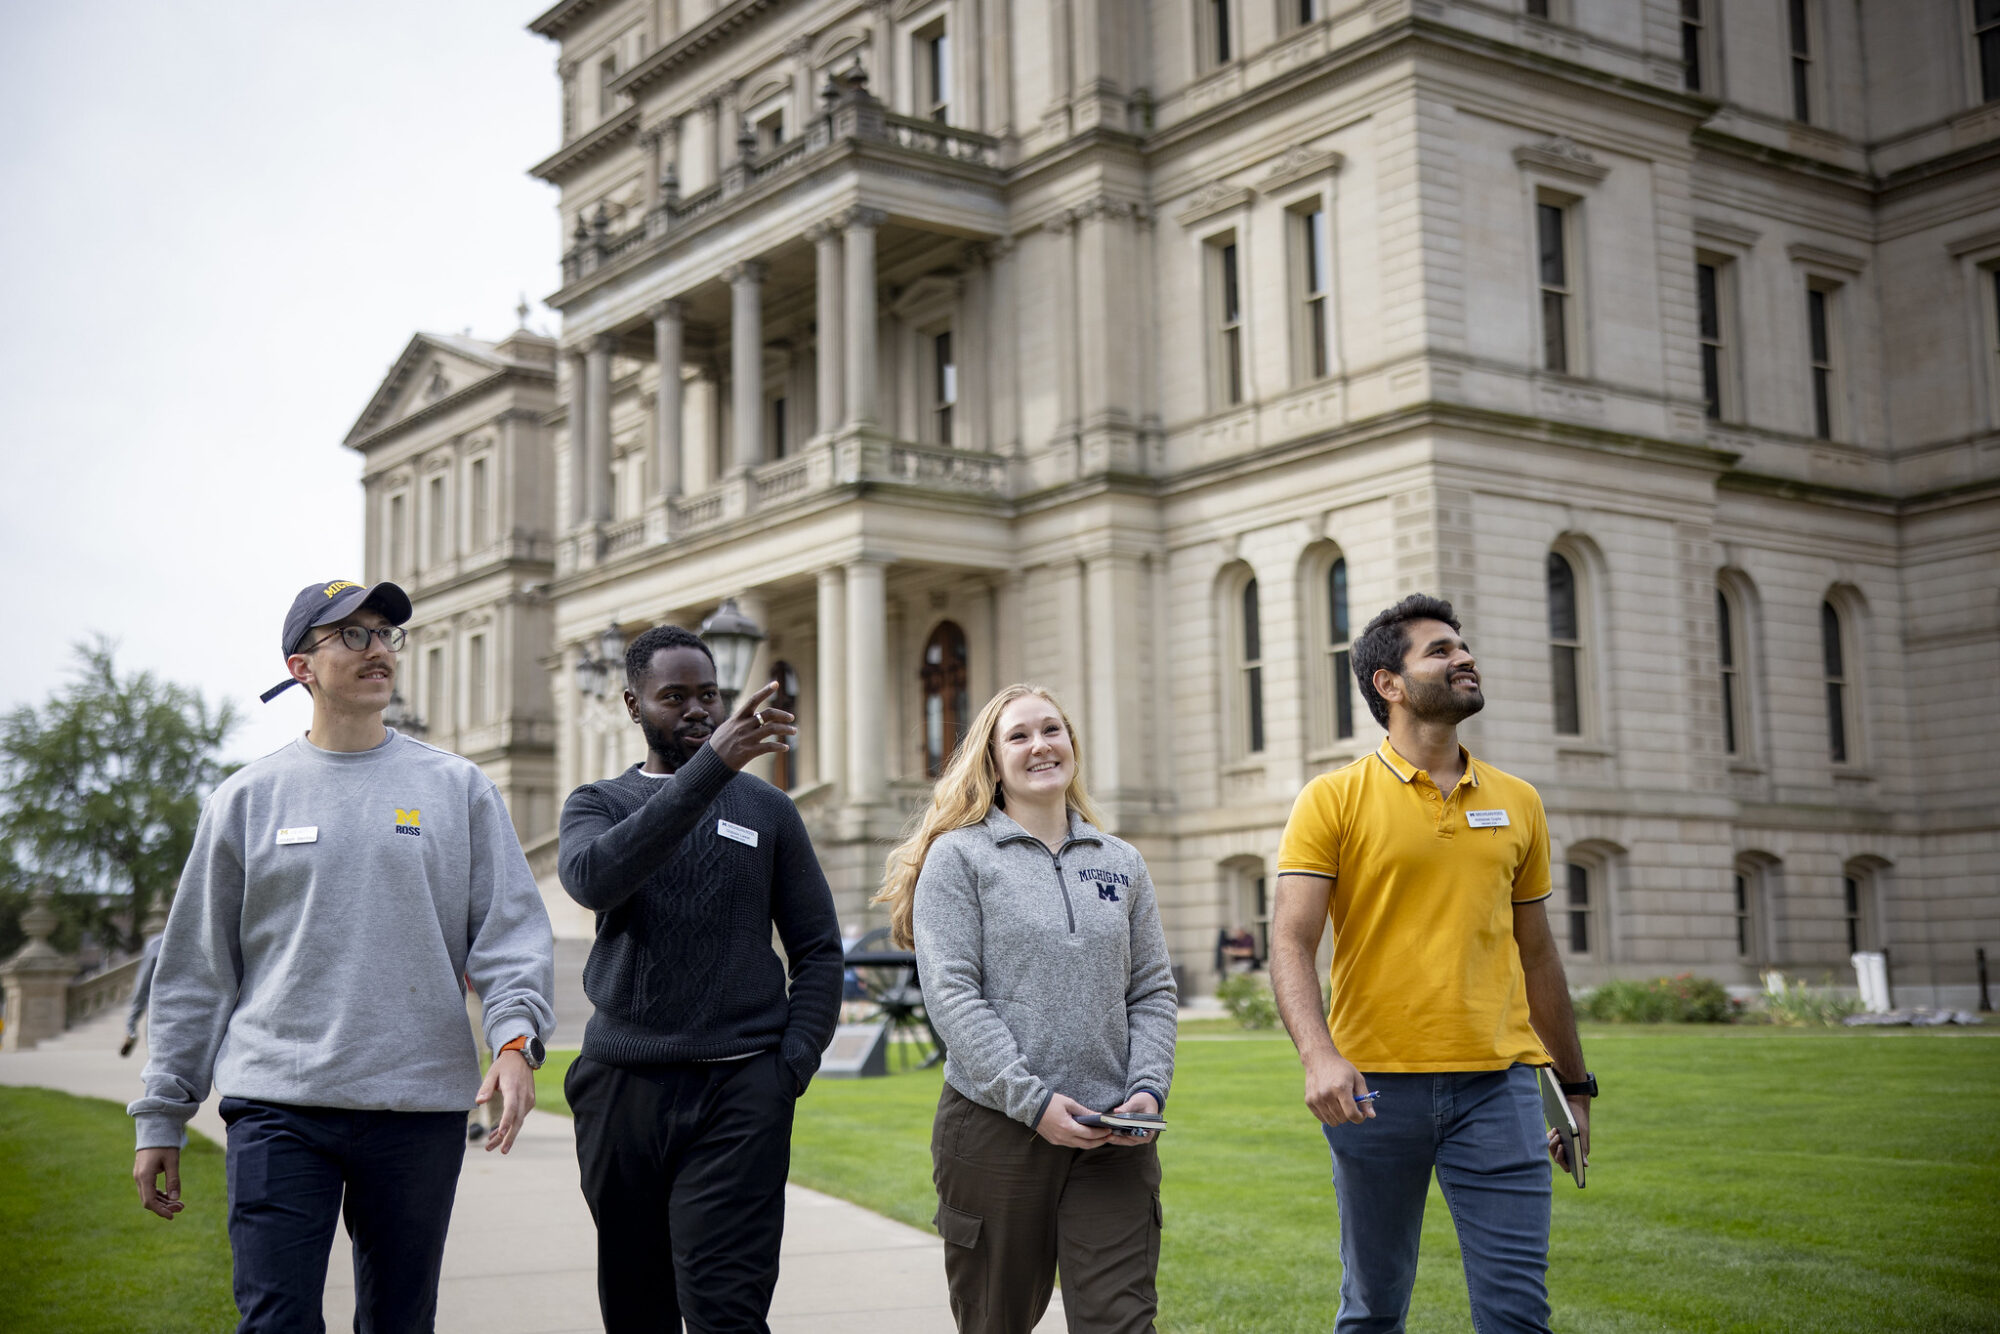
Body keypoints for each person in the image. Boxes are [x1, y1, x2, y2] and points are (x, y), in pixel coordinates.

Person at [128, 577, 557, 1333]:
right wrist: (163, 1113)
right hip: (278, 1107)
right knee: (275, 1320)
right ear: (301, 667)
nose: (379, 650)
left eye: (387, 634)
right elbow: (197, 971)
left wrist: (515, 1039)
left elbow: (510, 932)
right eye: (353, 636)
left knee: (399, 1320)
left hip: (417, 1108)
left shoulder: (458, 790)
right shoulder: (246, 799)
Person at [1269, 593, 1596, 1334]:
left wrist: (1574, 1085)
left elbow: (1538, 953)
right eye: (1441, 651)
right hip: (1373, 1091)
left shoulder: (1519, 802)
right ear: (1389, 684)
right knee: (1375, 1308)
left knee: (1518, 1315)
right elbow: (1290, 941)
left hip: (1501, 1090)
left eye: (1463, 646)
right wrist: (1318, 1057)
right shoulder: (1332, 799)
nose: (1464, 658)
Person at [557, 624, 843, 1334]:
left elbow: (819, 950)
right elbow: (595, 881)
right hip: (623, 1091)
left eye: (708, 694)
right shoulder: (597, 805)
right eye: (674, 696)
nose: (697, 710)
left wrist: (790, 1068)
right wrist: (708, 770)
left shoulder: (768, 811)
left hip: (741, 1090)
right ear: (633, 705)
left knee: (726, 1308)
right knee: (637, 1306)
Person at [875, 683, 1178, 1334]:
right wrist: (1033, 1103)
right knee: (995, 1322)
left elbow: (1151, 988)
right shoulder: (959, 858)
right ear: (992, 760)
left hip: (1111, 1136)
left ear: (1072, 743)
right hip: (995, 1131)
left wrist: (1147, 1092)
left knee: (1121, 1322)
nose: (1040, 745)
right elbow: (952, 994)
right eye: (1018, 735)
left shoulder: (1121, 862)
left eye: (1052, 730)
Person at [118, 906, 167, 1058]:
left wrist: (131, 1027)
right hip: (167, 1021)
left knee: (161, 1072)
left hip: (163, 1022)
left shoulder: (157, 944)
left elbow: (142, 989)